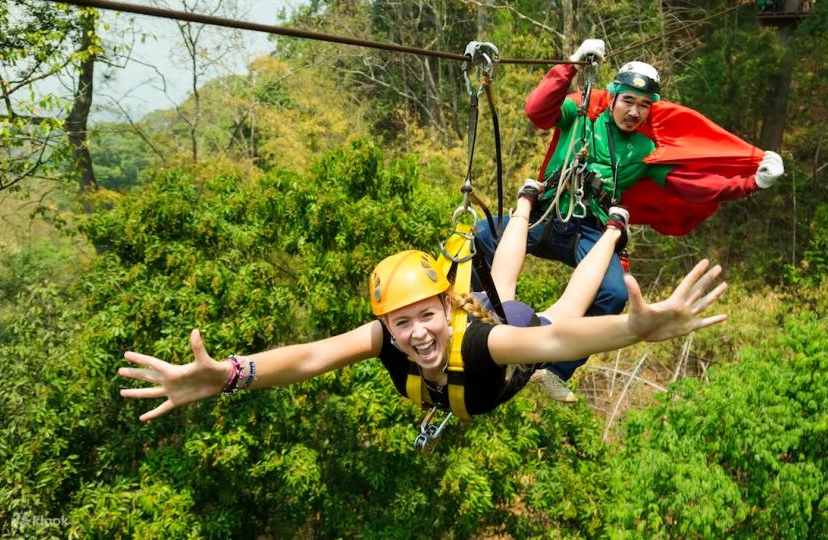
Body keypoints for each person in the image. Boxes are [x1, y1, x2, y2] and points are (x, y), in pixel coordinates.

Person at [118, 186, 728, 422]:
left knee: (558, 307)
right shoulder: (387, 337)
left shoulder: (485, 342)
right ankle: (522, 203)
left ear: (447, 308)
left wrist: (633, 329)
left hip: (506, 344)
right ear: (385, 323)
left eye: (426, 317)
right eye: (401, 323)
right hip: (481, 330)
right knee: (506, 287)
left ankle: (616, 230)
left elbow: (556, 343)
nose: (416, 335)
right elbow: (309, 357)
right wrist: (228, 375)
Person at [473, 38, 784, 402]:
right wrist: (571, 65)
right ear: (614, 97)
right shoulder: (580, 113)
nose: (634, 112)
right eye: (628, 101)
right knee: (481, 237)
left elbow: (694, 186)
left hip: (591, 230)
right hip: (549, 214)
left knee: (614, 292)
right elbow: (537, 110)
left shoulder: (645, 150)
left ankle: (554, 369)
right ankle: (475, 316)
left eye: (644, 106)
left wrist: (751, 182)